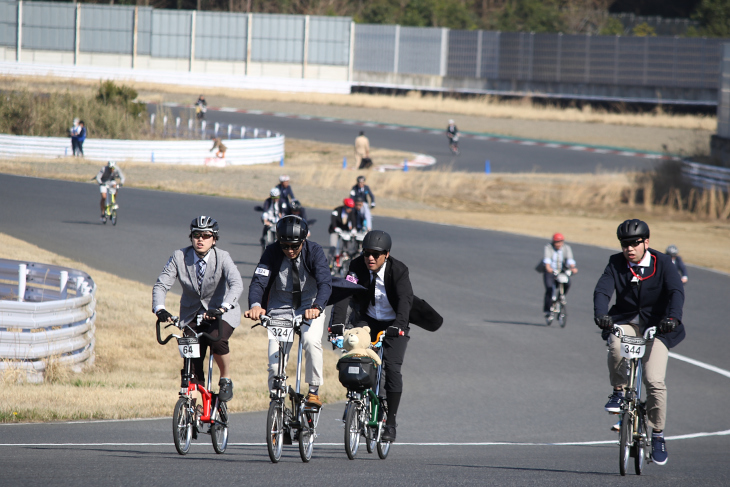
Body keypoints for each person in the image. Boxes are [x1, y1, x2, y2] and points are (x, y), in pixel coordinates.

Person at [594, 219, 685, 466]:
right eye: (625, 244)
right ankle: (618, 391)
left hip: (658, 326)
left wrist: (673, 318)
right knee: (615, 343)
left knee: (654, 380)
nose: (629, 249)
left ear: (646, 242)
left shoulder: (663, 263)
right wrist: (601, 314)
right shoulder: (616, 263)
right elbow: (602, 291)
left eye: (634, 243)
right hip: (626, 321)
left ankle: (657, 434)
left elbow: (676, 292)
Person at [331, 230, 413, 442]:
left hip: (394, 323)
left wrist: (399, 326)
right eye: (367, 253)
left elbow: (405, 300)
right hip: (368, 320)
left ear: (387, 254)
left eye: (376, 254)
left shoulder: (399, 271)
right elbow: (345, 292)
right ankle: (357, 400)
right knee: (357, 356)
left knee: (392, 368)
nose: (370, 258)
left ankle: (391, 423)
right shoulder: (357, 266)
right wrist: (338, 324)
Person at [152, 216, 244, 402]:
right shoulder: (179, 256)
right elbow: (161, 285)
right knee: (192, 357)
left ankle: (225, 378)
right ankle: (192, 409)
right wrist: (160, 308)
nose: (200, 239)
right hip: (192, 313)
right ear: (191, 237)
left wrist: (224, 307)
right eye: (196, 235)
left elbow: (237, 284)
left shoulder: (222, 257)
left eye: (206, 235)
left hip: (221, 312)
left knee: (217, 339)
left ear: (214, 239)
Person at [245, 215, 332, 408]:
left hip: (310, 307)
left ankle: (314, 391)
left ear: (303, 241)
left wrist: (317, 307)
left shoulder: (315, 251)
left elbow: (325, 282)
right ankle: (277, 404)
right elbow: (258, 282)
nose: (290, 250)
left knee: (311, 342)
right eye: (285, 246)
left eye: (294, 246)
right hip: (280, 308)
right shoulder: (271, 252)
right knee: (275, 364)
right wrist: (255, 305)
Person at [541, 233, 577, 319]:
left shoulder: (566, 248)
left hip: (561, 271)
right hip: (550, 271)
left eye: (560, 242)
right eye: (556, 242)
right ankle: (547, 310)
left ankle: (561, 297)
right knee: (549, 288)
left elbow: (570, 259)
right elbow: (547, 259)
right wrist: (548, 267)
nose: (558, 244)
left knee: (567, 283)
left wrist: (573, 268)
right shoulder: (548, 247)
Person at [328, 198, 356, 265]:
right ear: (344, 206)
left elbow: (353, 220)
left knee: (346, 246)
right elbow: (333, 219)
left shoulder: (351, 212)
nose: (349, 209)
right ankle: (330, 262)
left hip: (345, 231)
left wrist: (354, 229)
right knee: (333, 246)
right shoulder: (337, 210)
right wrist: (335, 227)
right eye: (348, 207)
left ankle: (343, 259)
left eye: (351, 208)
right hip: (335, 230)